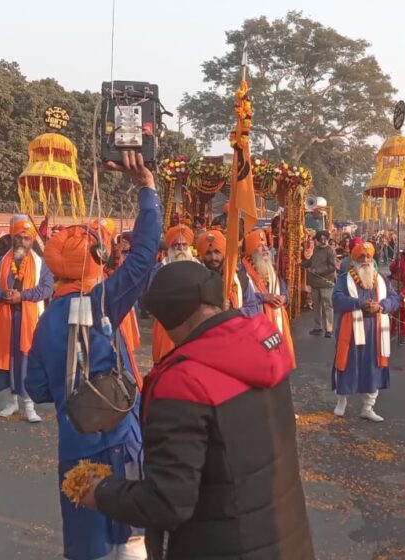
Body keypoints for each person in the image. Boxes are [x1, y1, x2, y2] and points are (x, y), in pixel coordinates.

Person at [82, 261, 314, 560]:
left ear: (171, 319)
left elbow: (168, 502)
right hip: (286, 539)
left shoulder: (183, 382)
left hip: (220, 545)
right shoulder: (264, 340)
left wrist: (102, 492)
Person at [25, 151, 159, 560]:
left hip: (75, 446)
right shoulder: (103, 299)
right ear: (97, 263)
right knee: (133, 540)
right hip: (122, 440)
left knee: (89, 547)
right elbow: (142, 257)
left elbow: (35, 388)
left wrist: (74, 392)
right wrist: (147, 191)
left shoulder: (45, 322)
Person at [0, 218, 53, 422]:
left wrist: (22, 296)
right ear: (12, 238)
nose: (23, 241)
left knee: (27, 360)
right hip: (5, 317)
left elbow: (46, 289)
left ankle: (29, 406)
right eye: (19, 237)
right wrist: (2, 294)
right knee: (7, 359)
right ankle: (11, 403)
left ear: (32, 241)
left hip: (29, 318)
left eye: (27, 238)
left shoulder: (41, 264)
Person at [331, 241, 400, 419]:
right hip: (350, 332)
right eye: (361, 257)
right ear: (354, 260)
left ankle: (368, 408)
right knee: (347, 365)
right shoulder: (344, 279)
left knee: (373, 367)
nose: (366, 260)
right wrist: (359, 304)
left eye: (369, 257)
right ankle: (341, 402)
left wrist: (382, 306)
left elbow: (394, 299)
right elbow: (337, 300)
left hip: (375, 332)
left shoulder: (382, 279)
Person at [241, 228, 296, 368]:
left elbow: (284, 290)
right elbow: (239, 297)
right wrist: (263, 297)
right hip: (256, 327)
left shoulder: (271, 268)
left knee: (278, 364)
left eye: (265, 245)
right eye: (259, 246)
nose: (265, 249)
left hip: (276, 325)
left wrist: (284, 298)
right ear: (251, 251)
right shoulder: (242, 271)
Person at [148, 224, 198, 364]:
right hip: (166, 325)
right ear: (170, 248)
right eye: (176, 245)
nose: (180, 249)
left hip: (193, 323)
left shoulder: (199, 267)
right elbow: (151, 297)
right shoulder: (159, 270)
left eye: (184, 245)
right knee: (166, 363)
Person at [195, 228, 260, 314]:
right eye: (208, 253)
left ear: (224, 253)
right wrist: (215, 310)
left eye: (217, 252)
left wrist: (231, 312)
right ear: (202, 256)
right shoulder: (197, 280)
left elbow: (253, 308)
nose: (213, 257)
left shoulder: (240, 278)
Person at [302, 230, 336, 337]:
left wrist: (318, 270)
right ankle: (318, 327)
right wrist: (302, 264)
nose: (323, 241)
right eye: (320, 239)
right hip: (315, 283)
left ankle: (329, 329)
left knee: (327, 306)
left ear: (327, 239)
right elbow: (311, 261)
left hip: (326, 283)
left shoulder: (330, 251)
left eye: (324, 239)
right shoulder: (316, 249)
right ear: (317, 240)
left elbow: (332, 267)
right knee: (316, 306)